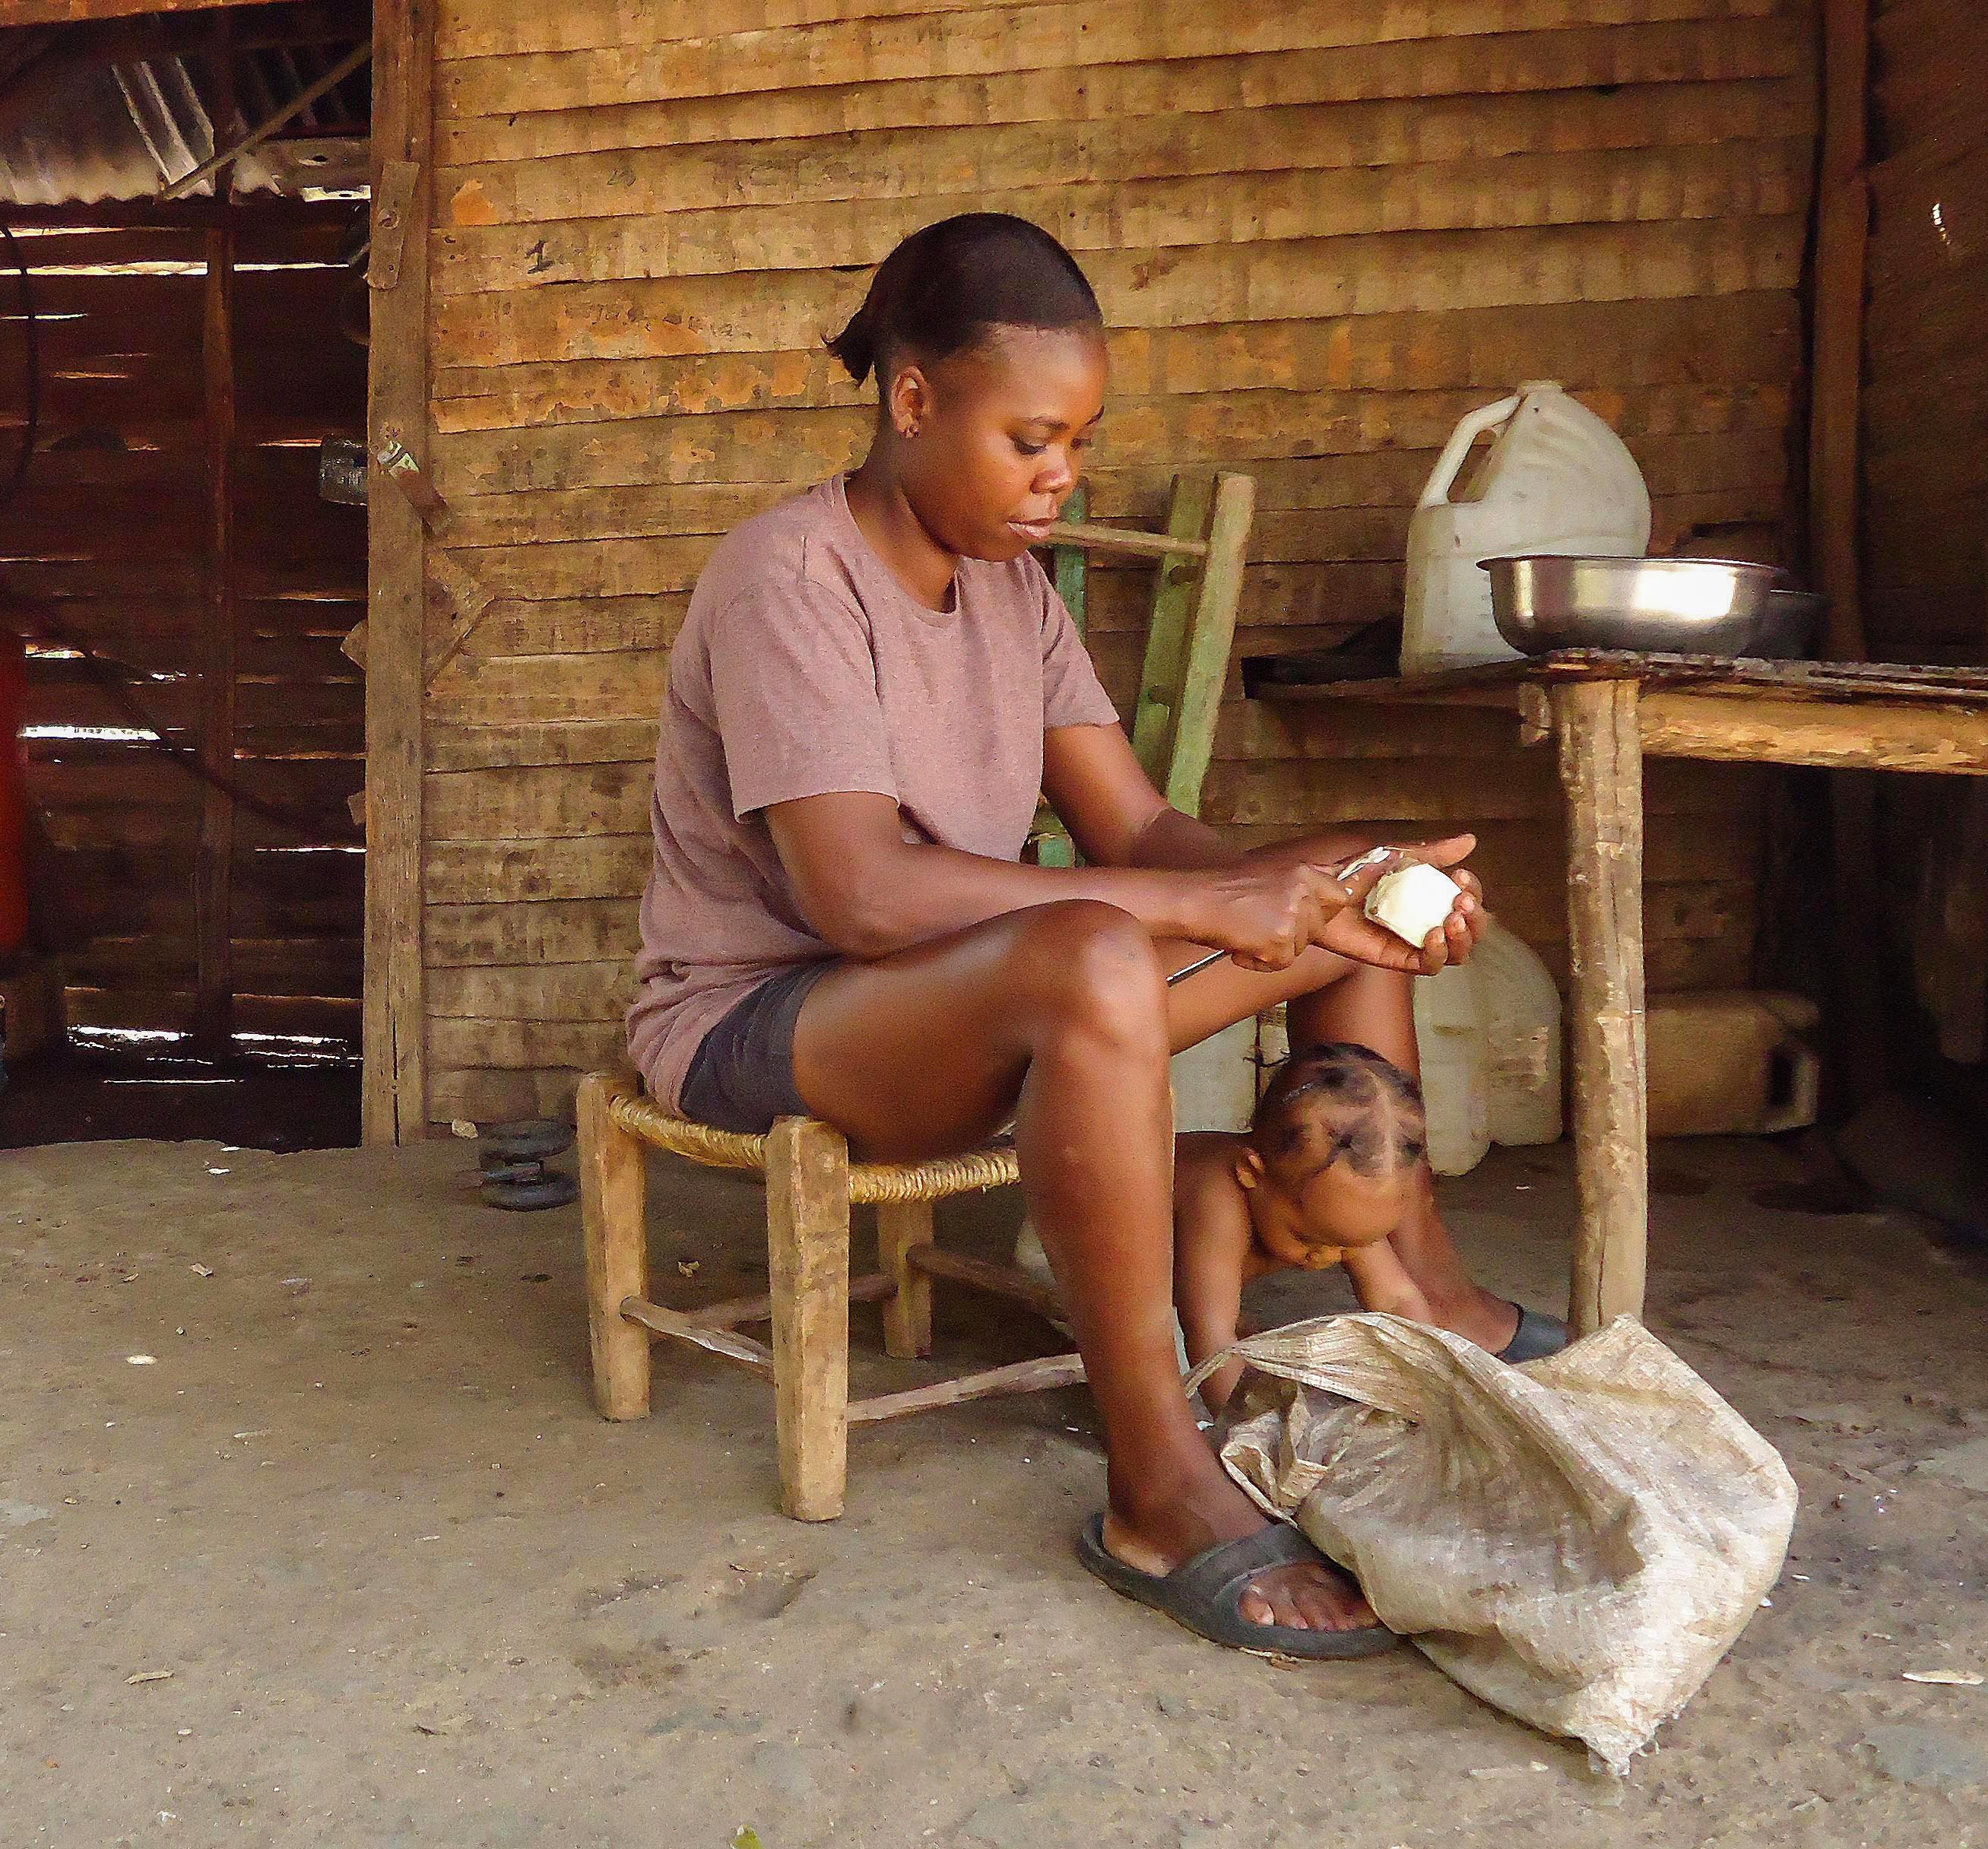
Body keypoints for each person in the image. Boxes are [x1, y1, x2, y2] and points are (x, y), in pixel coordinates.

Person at [626, 212, 1557, 1661]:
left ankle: (1416, 1283)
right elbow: (860, 897)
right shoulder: (788, 578)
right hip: (765, 1020)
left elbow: (1137, 826)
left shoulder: (1012, 584)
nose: (1061, 474)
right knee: (1098, 952)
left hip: (962, 1000)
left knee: (1339, 877)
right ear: (913, 399)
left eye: (1078, 443)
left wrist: (1326, 883)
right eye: (1031, 440)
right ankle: (1159, 1482)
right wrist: (1203, 906)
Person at [1172, 1042, 1562, 1429]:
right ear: (1251, 1173)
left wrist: (1431, 1385)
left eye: (1349, 1244)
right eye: (1308, 1238)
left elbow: (1396, 1298)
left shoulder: (1340, 1210)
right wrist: (1253, 1434)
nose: (1327, 1257)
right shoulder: (1217, 1202)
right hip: (1137, 1275)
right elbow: (1212, 1341)